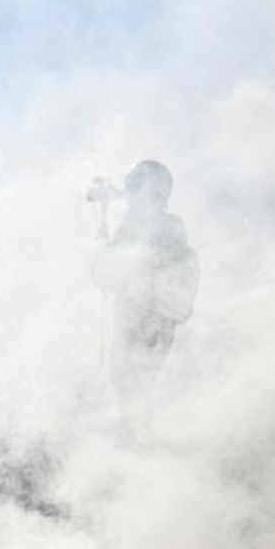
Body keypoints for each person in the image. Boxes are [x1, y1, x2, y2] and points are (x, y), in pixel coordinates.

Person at [91, 159, 199, 411]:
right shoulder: (154, 223)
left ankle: (135, 436)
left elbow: (127, 266)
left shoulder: (163, 225)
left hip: (147, 316)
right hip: (145, 314)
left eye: (135, 187)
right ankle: (135, 435)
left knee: (133, 380)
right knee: (129, 381)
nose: (129, 196)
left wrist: (106, 247)